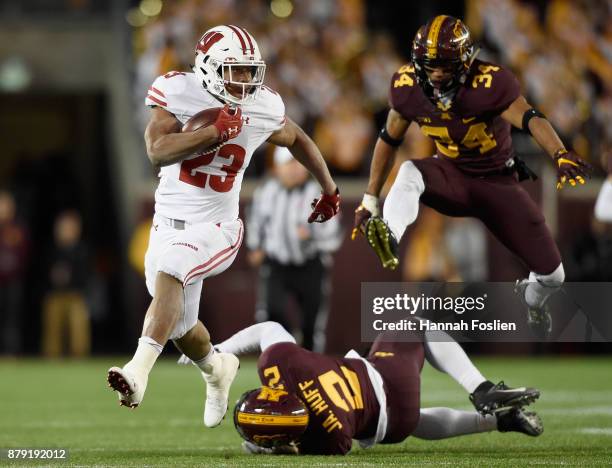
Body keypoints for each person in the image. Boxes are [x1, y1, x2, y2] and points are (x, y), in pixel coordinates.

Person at [107, 25, 340, 429]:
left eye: (251, 71)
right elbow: (156, 152)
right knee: (181, 327)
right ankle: (217, 369)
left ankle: (138, 371)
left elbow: (296, 137)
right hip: (166, 224)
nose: (246, 81)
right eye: (236, 70)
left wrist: (329, 187)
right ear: (209, 67)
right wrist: (213, 133)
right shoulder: (178, 90)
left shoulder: (262, 105)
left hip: (217, 226)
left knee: (172, 272)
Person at [352, 15, 592, 336]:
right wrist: (369, 200)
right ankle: (389, 234)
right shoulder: (406, 87)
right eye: (429, 64)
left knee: (553, 276)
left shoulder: (489, 84)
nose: (436, 73)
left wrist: (559, 152)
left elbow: (531, 117)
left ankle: (532, 300)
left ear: (466, 61)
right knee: (410, 170)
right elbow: (389, 138)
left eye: (445, 65)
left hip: (496, 184)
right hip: (449, 176)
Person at [181, 321, 542, 455]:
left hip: (392, 425)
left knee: (412, 420)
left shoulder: (326, 437)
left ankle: (499, 422)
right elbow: (267, 329)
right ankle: (482, 389)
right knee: (410, 324)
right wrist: (218, 350)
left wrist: (269, 447)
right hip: (384, 375)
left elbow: (299, 441)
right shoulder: (279, 365)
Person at [247, 147, 343, 351]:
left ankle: (310, 366)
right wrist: (255, 246)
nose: (293, 169)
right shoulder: (266, 192)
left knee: (311, 323)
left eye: (298, 163)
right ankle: (283, 353)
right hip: (276, 263)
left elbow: (333, 236)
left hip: (310, 264)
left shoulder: (319, 194)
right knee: (271, 314)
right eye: (288, 163)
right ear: (278, 168)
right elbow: (255, 222)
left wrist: (312, 236)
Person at [42, 210, 91, 358]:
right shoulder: (51, 250)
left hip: (75, 296)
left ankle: (78, 359)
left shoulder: (82, 250)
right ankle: (52, 360)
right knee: (53, 333)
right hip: (55, 295)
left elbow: (87, 274)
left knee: (78, 333)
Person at [0, 190, 29, 354]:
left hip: (13, 281)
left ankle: (10, 352)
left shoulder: (18, 229)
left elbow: (24, 253)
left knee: (11, 320)